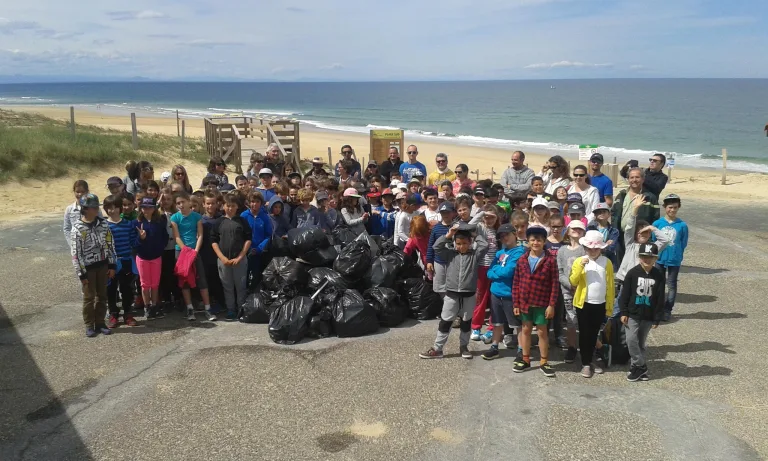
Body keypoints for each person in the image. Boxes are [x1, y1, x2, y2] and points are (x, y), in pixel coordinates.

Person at [419, 223, 488, 359]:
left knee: (466, 321)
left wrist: (474, 234)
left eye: (464, 243)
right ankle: (437, 349)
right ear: (454, 243)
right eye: (458, 243)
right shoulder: (449, 254)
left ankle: (464, 347)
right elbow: (436, 247)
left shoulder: (475, 255)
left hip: (469, 294)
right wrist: (448, 235)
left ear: (470, 243)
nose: (461, 246)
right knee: (446, 320)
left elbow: (484, 245)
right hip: (451, 294)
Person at [512, 226, 559, 377]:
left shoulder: (550, 260)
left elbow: (555, 284)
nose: (536, 243)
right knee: (525, 330)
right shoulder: (522, 260)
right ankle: (525, 359)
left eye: (539, 240)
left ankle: (544, 361)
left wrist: (551, 305)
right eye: (532, 240)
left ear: (544, 241)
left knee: (542, 332)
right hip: (525, 302)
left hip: (542, 303)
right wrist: (516, 303)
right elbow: (516, 282)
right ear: (528, 241)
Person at [569, 230, 615, 378]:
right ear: (585, 248)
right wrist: (581, 267)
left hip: (600, 304)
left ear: (601, 248)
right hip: (584, 304)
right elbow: (573, 281)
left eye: (596, 248)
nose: (593, 251)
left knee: (594, 334)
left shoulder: (606, 262)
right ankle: (586, 363)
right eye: (590, 248)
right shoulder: (579, 261)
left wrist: (609, 306)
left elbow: (610, 285)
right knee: (584, 334)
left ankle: (591, 359)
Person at [614, 196, 670, 317]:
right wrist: (635, 209)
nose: (643, 233)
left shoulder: (652, 247)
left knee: (636, 307)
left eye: (646, 232)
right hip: (626, 280)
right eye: (640, 231)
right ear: (635, 234)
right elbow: (629, 228)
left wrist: (652, 228)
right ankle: (612, 327)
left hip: (642, 283)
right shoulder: (630, 244)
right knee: (619, 306)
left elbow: (665, 240)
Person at [70, 193, 116, 338]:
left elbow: (110, 244)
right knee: (89, 297)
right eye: (93, 207)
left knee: (102, 295)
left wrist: (112, 265)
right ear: (85, 209)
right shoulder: (77, 228)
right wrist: (81, 274)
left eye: (97, 207)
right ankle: (89, 325)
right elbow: (75, 254)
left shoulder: (103, 224)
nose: (97, 209)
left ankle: (100, 322)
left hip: (102, 265)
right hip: (87, 268)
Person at [620, 243, 665, 382]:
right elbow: (625, 295)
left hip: (648, 315)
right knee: (631, 340)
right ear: (639, 257)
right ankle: (642, 365)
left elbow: (660, 297)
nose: (647, 260)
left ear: (656, 258)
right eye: (644, 257)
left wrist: (657, 317)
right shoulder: (632, 273)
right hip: (632, 314)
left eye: (650, 258)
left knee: (640, 342)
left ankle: (636, 369)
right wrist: (624, 311)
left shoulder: (658, 275)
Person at [481, 223, 526, 360]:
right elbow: (489, 271)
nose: (504, 238)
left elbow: (509, 271)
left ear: (515, 234)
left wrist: (495, 273)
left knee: (517, 324)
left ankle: (521, 350)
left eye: (507, 234)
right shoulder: (500, 253)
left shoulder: (520, 252)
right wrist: (495, 273)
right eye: (501, 236)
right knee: (497, 322)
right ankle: (495, 346)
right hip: (496, 292)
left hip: (510, 294)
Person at [171, 192, 216, 322]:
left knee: (201, 279)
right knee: (184, 281)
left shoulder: (196, 216)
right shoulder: (174, 218)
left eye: (182, 202)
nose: (180, 205)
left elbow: (200, 235)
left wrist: (195, 251)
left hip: (195, 251)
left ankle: (208, 309)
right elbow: (177, 237)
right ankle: (190, 308)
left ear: (188, 202)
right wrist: (186, 252)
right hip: (182, 252)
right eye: (178, 203)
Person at [212, 194, 253, 320]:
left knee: (241, 286)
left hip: (239, 260)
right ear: (223, 206)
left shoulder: (242, 221)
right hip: (223, 260)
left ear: (237, 207)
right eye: (228, 206)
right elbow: (213, 241)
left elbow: (248, 239)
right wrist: (222, 258)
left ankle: (241, 309)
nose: (230, 208)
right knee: (227, 286)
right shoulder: (218, 222)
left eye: (233, 206)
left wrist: (241, 256)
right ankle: (230, 309)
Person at [611, 167, 660, 263]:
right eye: (631, 177)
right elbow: (613, 213)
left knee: (637, 264)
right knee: (622, 264)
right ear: (628, 179)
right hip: (622, 236)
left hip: (639, 238)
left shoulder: (650, 197)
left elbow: (655, 218)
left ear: (643, 179)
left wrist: (648, 237)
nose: (634, 180)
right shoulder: (621, 195)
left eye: (637, 177)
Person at [103, 194, 137, 328]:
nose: (113, 210)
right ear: (105, 209)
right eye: (109, 208)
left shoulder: (128, 225)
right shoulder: (104, 226)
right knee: (110, 290)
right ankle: (113, 314)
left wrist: (141, 237)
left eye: (115, 207)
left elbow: (133, 242)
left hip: (126, 261)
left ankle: (128, 313)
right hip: (110, 263)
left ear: (120, 208)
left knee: (127, 289)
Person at [652, 194, 688, 321]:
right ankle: (658, 308)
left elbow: (683, 243)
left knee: (672, 285)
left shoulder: (682, 225)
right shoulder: (657, 223)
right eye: (670, 207)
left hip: (674, 259)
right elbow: (653, 240)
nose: (672, 210)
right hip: (659, 258)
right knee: (659, 284)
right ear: (664, 207)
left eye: (675, 208)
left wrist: (677, 254)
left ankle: (668, 309)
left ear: (678, 208)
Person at [557, 221, 587, 363]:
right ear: (567, 231)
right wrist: (569, 284)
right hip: (568, 290)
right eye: (573, 228)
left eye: (580, 229)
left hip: (583, 290)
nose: (577, 231)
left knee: (583, 319)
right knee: (570, 319)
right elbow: (560, 271)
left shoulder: (585, 250)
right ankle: (572, 347)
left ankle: (587, 346)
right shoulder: (562, 250)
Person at [469, 205, 500, 343]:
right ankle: (476, 326)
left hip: (496, 268)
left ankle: (492, 329)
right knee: (480, 298)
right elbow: (469, 225)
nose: (489, 219)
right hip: (482, 266)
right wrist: (481, 213)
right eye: (486, 217)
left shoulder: (499, 230)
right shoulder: (481, 227)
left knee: (494, 299)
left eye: (492, 217)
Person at [135, 197, 168, 320]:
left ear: (154, 208)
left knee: (155, 284)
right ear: (140, 208)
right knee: (145, 284)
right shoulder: (137, 223)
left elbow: (164, 237)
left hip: (156, 257)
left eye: (149, 207)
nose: (146, 210)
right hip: (142, 257)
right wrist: (141, 239)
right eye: (144, 207)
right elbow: (134, 242)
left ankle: (154, 306)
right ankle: (147, 306)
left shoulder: (159, 222)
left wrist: (160, 248)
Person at [241, 191, 272, 289]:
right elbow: (240, 234)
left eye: (257, 201)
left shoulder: (265, 217)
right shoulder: (243, 216)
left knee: (256, 275)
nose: (254, 204)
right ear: (249, 203)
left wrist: (258, 248)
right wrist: (248, 248)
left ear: (261, 203)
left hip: (259, 252)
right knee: (243, 275)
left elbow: (268, 235)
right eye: (252, 201)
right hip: (245, 251)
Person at [201, 192, 225, 314]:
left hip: (220, 254)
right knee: (208, 279)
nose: (210, 206)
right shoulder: (200, 220)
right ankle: (209, 303)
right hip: (205, 254)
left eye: (213, 203)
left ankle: (221, 303)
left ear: (217, 204)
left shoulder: (221, 219)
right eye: (208, 203)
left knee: (220, 279)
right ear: (204, 204)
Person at [426, 202, 457, 293]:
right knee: (440, 287)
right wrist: (429, 261)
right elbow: (431, 246)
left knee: (453, 286)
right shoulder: (436, 228)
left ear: (453, 213)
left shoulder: (458, 227)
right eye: (443, 212)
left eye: (448, 212)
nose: (445, 215)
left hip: (453, 261)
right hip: (439, 261)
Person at [587, 202, 619, 268]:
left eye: (604, 211)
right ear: (595, 215)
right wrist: (605, 245)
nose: (601, 214)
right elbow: (587, 246)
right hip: (591, 260)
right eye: (598, 212)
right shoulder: (590, 228)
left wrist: (596, 246)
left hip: (608, 260)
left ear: (609, 214)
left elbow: (611, 248)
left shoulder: (614, 231)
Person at [64, 180, 92, 248]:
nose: (80, 194)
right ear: (74, 191)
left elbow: (100, 225)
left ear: (87, 192)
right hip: (76, 246)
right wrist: (72, 245)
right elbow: (67, 229)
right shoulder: (69, 209)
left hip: (92, 246)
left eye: (83, 192)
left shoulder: (93, 208)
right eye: (77, 192)